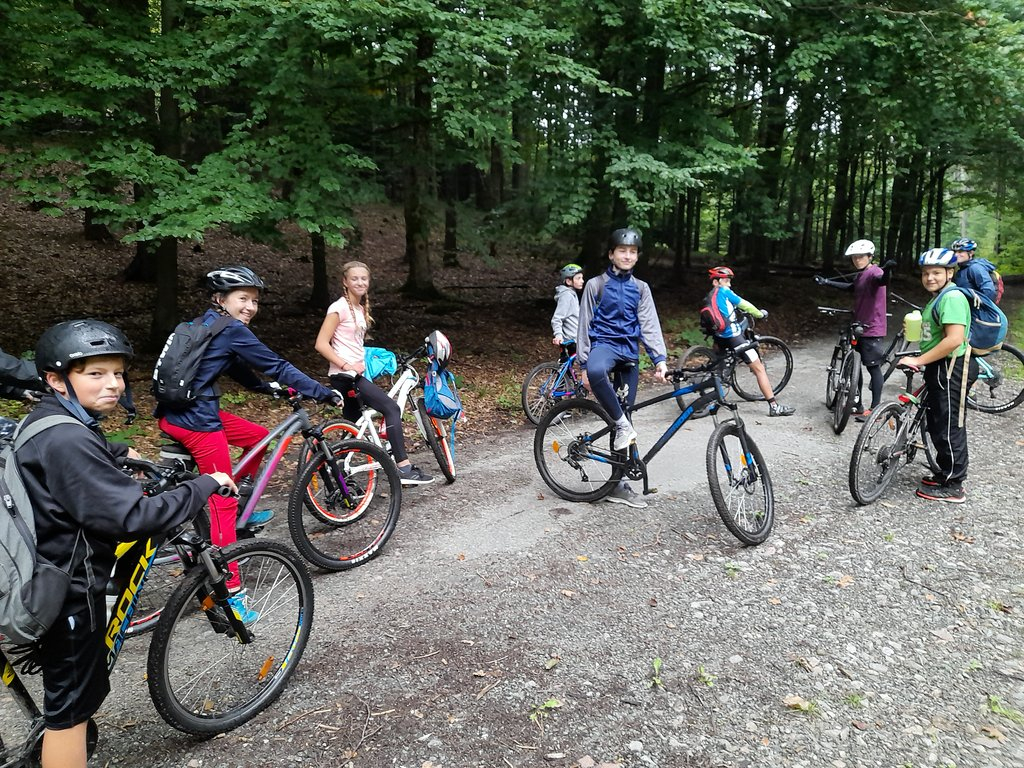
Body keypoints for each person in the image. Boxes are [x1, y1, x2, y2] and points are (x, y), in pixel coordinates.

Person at [17, 319, 234, 768]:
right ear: (56, 380)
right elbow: (133, 518)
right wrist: (204, 484)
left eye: (117, 373)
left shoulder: (49, 421)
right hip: (66, 590)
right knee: (69, 715)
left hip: (36, 565)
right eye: (95, 374)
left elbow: (73, 454)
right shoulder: (68, 438)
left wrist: (117, 451)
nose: (113, 384)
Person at [156, 266, 339, 609]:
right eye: (243, 299)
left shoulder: (205, 324)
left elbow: (234, 366)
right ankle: (229, 593)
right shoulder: (232, 329)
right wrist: (321, 391)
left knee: (258, 437)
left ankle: (241, 504)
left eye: (255, 301)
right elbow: (277, 365)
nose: (251, 307)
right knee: (221, 501)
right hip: (198, 421)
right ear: (220, 298)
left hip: (177, 412)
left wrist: (265, 389)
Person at [314, 260, 433, 485]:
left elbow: (352, 343)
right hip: (346, 376)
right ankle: (403, 468)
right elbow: (321, 343)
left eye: (364, 278)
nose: (360, 282)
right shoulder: (339, 308)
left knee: (353, 425)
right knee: (391, 408)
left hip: (354, 375)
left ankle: (339, 473)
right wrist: (346, 365)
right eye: (354, 278)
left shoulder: (359, 309)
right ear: (345, 282)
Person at [577, 228, 668, 509]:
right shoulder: (595, 285)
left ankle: (618, 485)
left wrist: (659, 359)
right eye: (622, 251)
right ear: (611, 254)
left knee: (624, 414)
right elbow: (584, 323)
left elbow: (649, 324)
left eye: (632, 252)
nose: (627, 256)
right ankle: (622, 424)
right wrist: (583, 363)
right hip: (604, 346)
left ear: (637, 256)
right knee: (599, 376)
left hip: (629, 353)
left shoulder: (641, 288)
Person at [897, 248, 976, 503]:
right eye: (926, 273)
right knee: (937, 422)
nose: (930, 277)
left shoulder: (952, 297)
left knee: (949, 424)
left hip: (952, 367)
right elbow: (936, 334)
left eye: (936, 273)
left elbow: (954, 340)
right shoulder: (938, 298)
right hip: (939, 366)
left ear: (949, 273)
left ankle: (954, 484)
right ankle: (945, 472)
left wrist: (918, 360)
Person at [814, 239, 895, 420]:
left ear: (870, 257)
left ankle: (875, 410)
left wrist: (888, 269)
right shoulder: (861, 275)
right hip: (858, 325)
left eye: (861, 257)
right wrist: (827, 282)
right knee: (854, 366)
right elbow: (851, 287)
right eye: (854, 257)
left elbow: (882, 280)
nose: (857, 260)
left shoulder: (875, 272)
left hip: (872, 327)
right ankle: (857, 404)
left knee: (873, 368)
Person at [706, 266, 794, 417]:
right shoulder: (725, 292)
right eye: (726, 281)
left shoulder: (710, 296)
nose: (729, 284)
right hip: (732, 336)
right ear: (716, 282)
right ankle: (774, 406)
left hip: (718, 336)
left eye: (729, 281)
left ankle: (715, 388)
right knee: (759, 369)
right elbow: (744, 305)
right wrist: (760, 314)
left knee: (719, 364)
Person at [950, 237, 998, 302]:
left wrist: (981, 304)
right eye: (955, 252)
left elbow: (989, 291)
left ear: (971, 253)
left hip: (977, 307)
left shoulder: (975, 268)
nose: (956, 255)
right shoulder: (962, 268)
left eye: (960, 252)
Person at [551, 263, 584, 350]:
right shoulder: (566, 296)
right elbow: (557, 318)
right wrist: (558, 335)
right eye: (578, 278)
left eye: (582, 278)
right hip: (572, 342)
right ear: (568, 281)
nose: (582, 281)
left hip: (578, 339)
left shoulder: (572, 294)